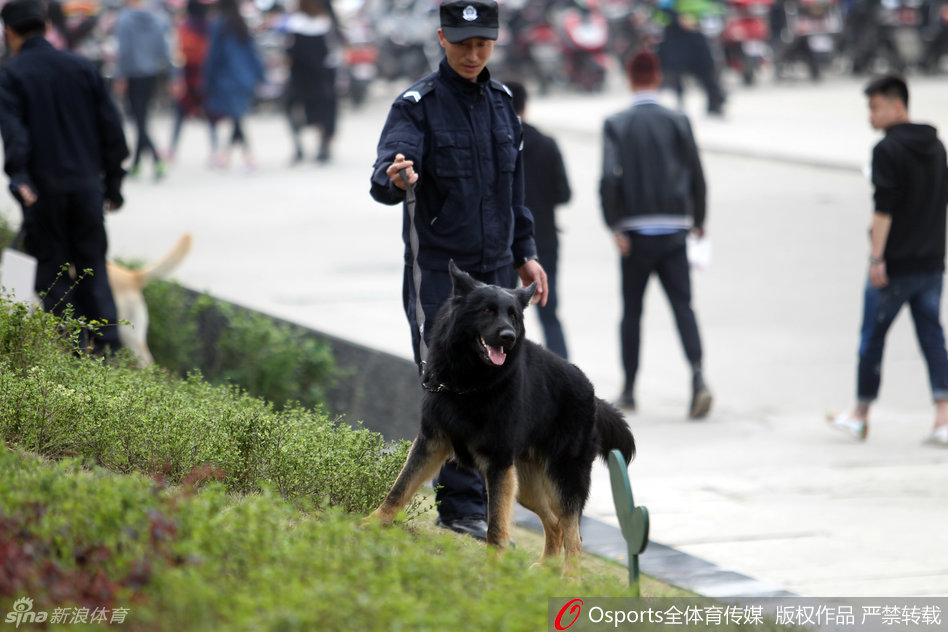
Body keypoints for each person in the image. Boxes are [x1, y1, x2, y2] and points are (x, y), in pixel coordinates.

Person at [369, 0, 548, 542]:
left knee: (498, 380)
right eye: (463, 44)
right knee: (447, 382)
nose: (473, 54)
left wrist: (526, 251)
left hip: (497, 276)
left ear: (494, 42)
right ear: (442, 38)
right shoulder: (416, 106)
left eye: (482, 45)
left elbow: (514, 190)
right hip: (441, 277)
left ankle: (485, 508)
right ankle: (459, 508)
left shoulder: (503, 104)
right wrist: (397, 176)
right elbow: (387, 171)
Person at [0, 0, 129, 353]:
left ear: (9, 32)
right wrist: (113, 183)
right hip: (87, 189)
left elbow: (16, 136)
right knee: (93, 270)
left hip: (43, 194)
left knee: (52, 275)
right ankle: (106, 353)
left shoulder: (11, 76)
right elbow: (112, 130)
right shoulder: (83, 67)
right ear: (46, 26)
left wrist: (20, 178)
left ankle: (74, 352)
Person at [829, 75, 948, 447]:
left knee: (872, 339)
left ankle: (860, 415)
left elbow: (884, 209)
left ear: (898, 106)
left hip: (895, 265)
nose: (870, 116)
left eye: (875, 107)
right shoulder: (937, 146)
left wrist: (876, 257)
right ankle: (943, 418)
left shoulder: (886, 150)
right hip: (931, 263)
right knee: (933, 337)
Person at [599, 49, 712, 419]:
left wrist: (614, 224)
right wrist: (698, 218)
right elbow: (696, 172)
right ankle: (698, 376)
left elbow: (608, 178)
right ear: (657, 77)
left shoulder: (616, 123)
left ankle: (630, 389)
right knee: (683, 306)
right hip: (675, 227)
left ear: (630, 79)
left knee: (632, 312)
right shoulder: (678, 119)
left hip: (635, 231)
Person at [507, 80, 571, 359]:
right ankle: (562, 370)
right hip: (543, 237)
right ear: (525, 105)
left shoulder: (497, 145)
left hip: (505, 241)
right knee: (549, 311)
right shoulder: (547, 143)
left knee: (500, 315)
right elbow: (564, 193)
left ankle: (506, 370)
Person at [203, 0, 264, 170]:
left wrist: (207, 79)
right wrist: (260, 76)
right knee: (237, 117)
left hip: (226, 79)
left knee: (236, 118)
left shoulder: (219, 25)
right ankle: (234, 155)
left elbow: (213, 55)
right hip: (245, 78)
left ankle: (241, 156)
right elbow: (253, 53)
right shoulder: (241, 24)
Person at [114, 0, 171, 180]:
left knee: (139, 121)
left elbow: (124, 51)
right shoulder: (157, 19)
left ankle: (156, 158)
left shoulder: (124, 20)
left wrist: (121, 76)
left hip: (133, 75)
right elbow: (164, 49)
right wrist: (172, 75)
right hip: (151, 74)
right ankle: (137, 164)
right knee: (142, 119)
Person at [285, 0, 340, 164]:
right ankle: (321, 146)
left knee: (294, 109)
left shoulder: (295, 23)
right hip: (320, 76)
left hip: (301, 77)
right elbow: (334, 51)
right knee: (323, 111)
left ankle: (300, 147)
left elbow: (288, 51)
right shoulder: (324, 22)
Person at [656, 0, 725, 115]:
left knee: (706, 69)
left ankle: (714, 102)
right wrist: (679, 18)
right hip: (676, 35)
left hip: (697, 32)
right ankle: (680, 103)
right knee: (676, 71)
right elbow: (663, 8)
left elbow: (717, 7)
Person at [167, 0, 211, 163]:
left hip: (188, 76)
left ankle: (172, 150)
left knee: (179, 115)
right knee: (210, 116)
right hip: (204, 76)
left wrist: (176, 79)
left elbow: (179, 55)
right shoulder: (209, 28)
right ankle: (215, 151)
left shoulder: (185, 28)